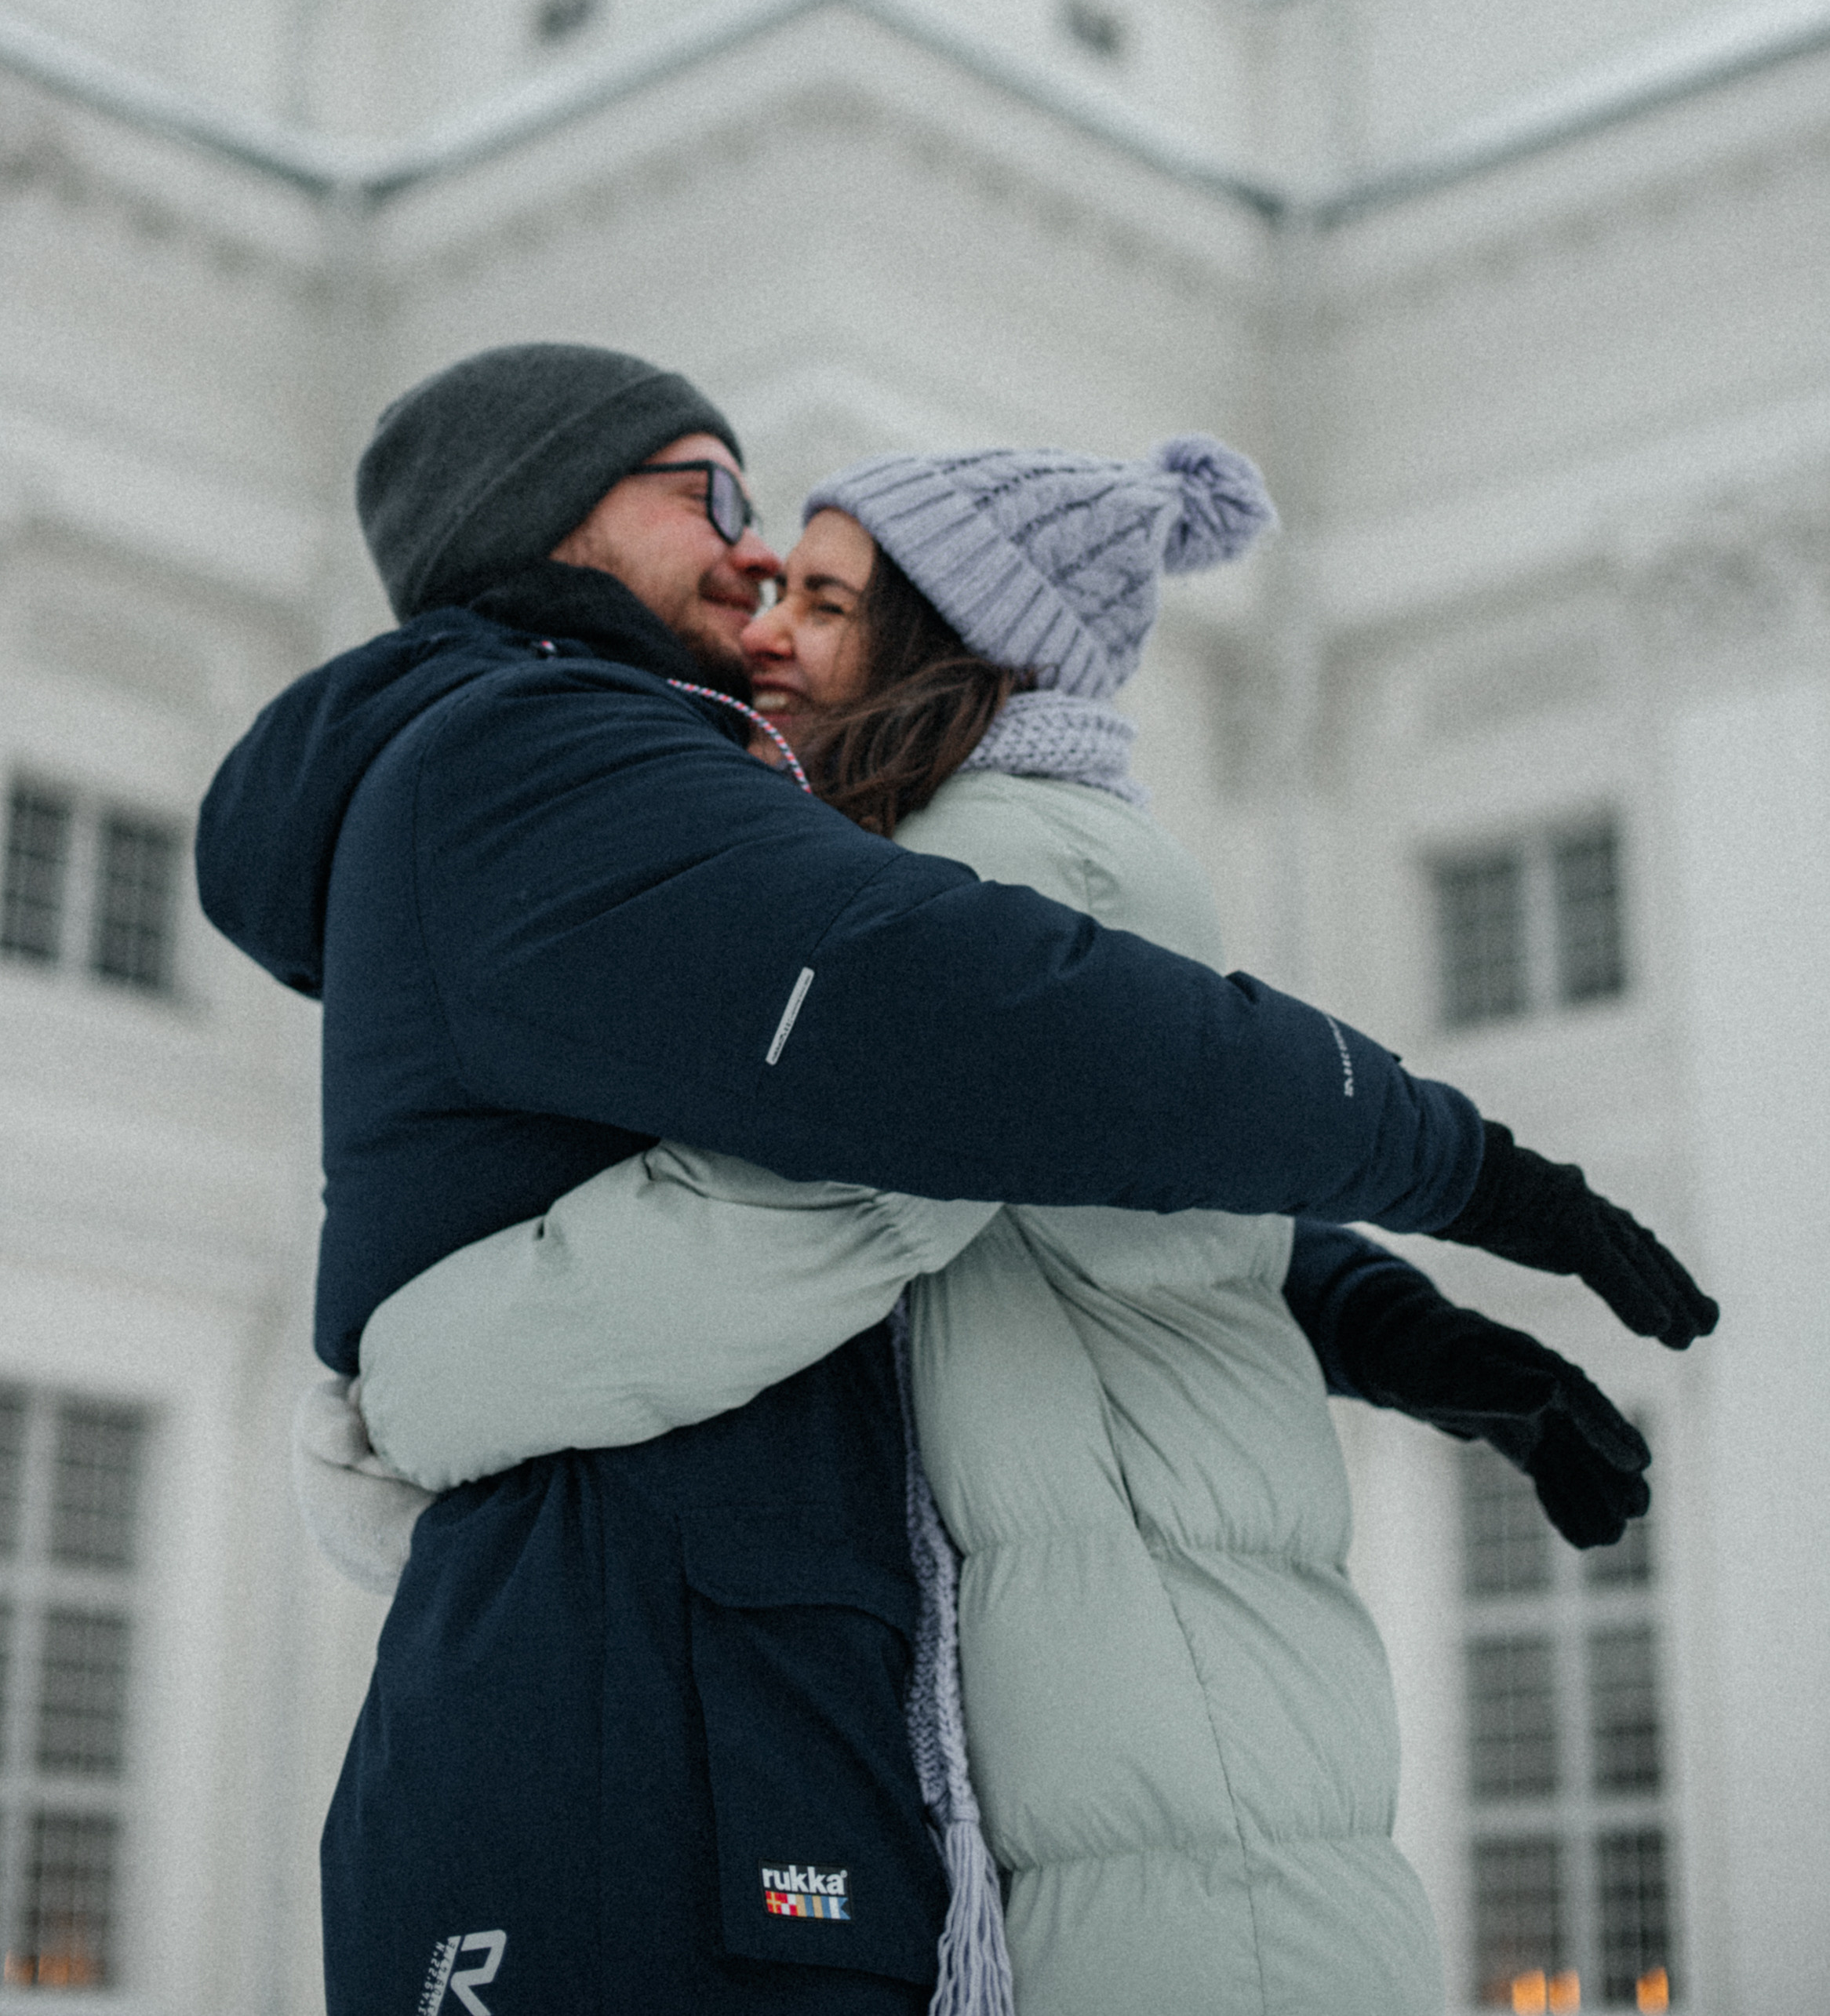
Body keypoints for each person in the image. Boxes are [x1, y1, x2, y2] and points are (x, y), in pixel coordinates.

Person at [197, 344, 1714, 2016]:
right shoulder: (543, 752)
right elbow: (968, 1072)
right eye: (709, 490)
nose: (756, 559)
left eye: (804, 561)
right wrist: (1460, 1171)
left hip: (749, 1723)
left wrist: (1396, 1314)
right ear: (539, 509)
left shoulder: (735, 805)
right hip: (655, 1718)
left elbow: (1026, 1171)